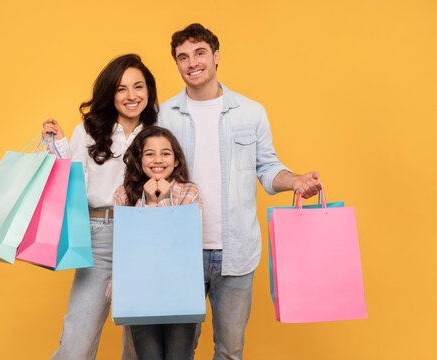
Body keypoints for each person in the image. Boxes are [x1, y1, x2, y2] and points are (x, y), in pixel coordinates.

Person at [157, 23, 322, 359]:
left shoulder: (250, 112)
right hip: (179, 252)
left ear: (216, 57)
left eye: (200, 53)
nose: (192, 62)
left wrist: (295, 181)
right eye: (183, 57)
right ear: (177, 64)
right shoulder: (163, 115)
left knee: (230, 350)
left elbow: (268, 167)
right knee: (176, 352)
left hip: (237, 254)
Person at [43, 53, 156, 360]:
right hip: (100, 234)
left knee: (142, 344)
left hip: (147, 236)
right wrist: (60, 148)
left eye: (139, 86)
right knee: (77, 338)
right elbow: (73, 183)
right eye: (121, 89)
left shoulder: (158, 129)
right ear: (110, 92)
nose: (132, 96)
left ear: (149, 90)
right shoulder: (90, 130)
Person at [113, 125, 202, 360]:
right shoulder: (123, 195)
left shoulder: (189, 192)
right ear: (139, 159)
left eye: (165, 153)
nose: (158, 159)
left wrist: (162, 203)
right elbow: (127, 244)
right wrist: (149, 202)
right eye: (149, 153)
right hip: (139, 288)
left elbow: (186, 239)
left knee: (179, 356)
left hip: (180, 287)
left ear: (176, 160)